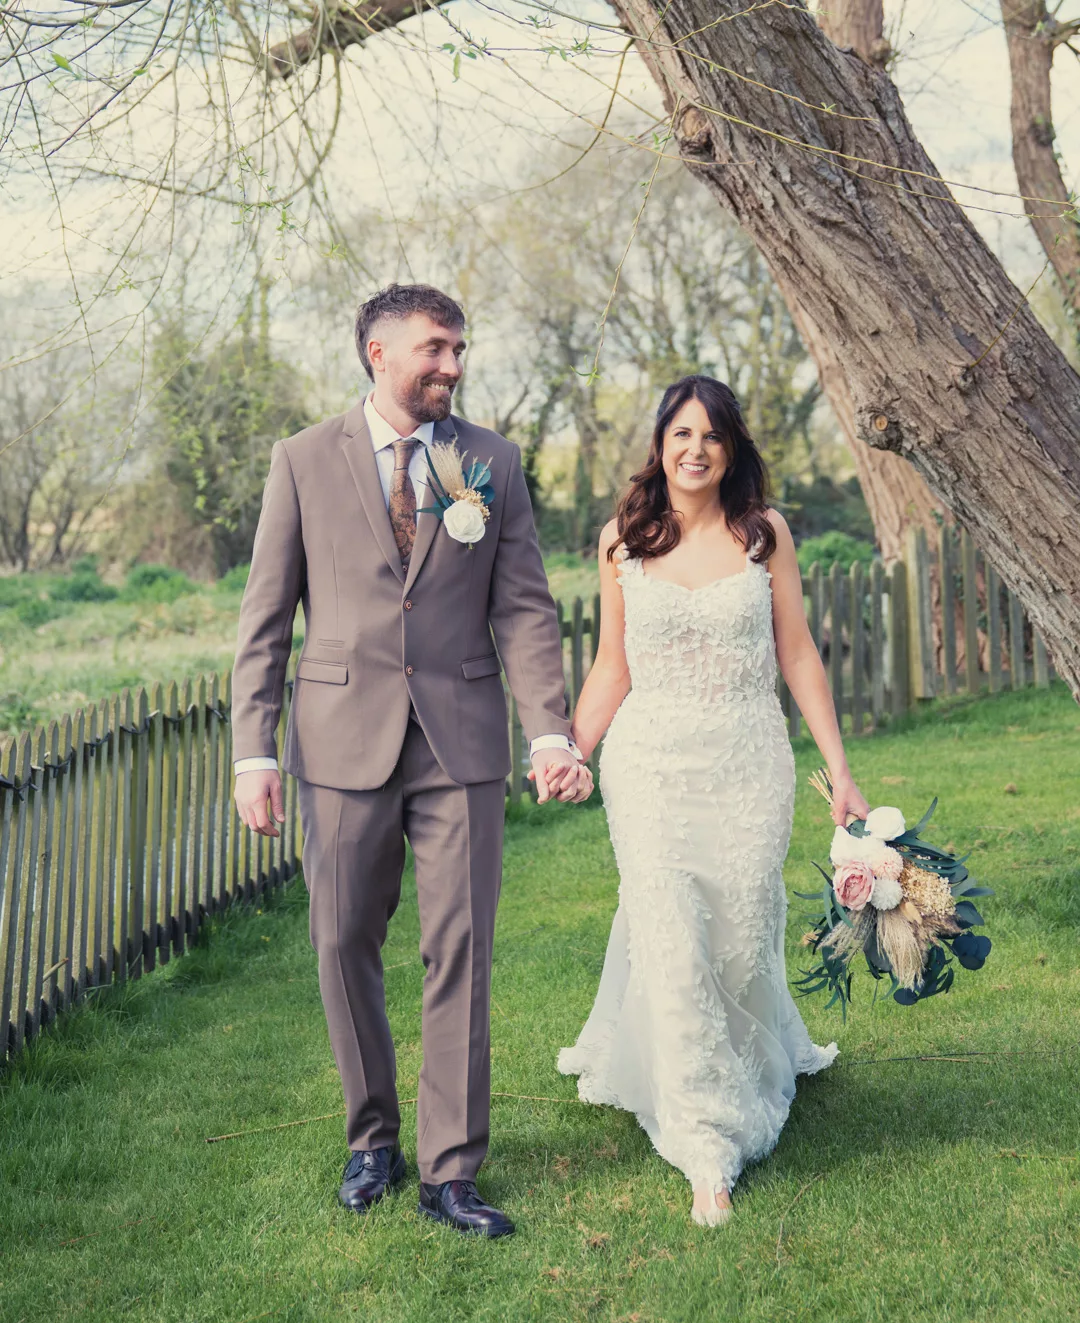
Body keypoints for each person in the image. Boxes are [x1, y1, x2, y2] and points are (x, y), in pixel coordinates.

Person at [231, 283, 593, 1240]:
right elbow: (266, 621)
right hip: (340, 740)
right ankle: (372, 1140)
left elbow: (523, 605)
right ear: (378, 352)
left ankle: (451, 1169)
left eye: (461, 349)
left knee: (460, 947)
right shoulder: (304, 461)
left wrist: (549, 728)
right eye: (437, 348)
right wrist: (252, 753)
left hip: (460, 739)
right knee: (342, 938)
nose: (454, 366)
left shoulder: (492, 461)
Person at [552, 374, 868, 1227]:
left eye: (712, 436)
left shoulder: (764, 536)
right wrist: (569, 750)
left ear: (733, 450)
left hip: (747, 758)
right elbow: (612, 667)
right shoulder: (624, 540)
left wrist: (839, 769)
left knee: (737, 938)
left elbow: (798, 654)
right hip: (649, 762)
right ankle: (704, 1145)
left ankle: (753, 1058)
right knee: (672, 930)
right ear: (660, 442)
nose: (695, 450)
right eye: (680, 434)